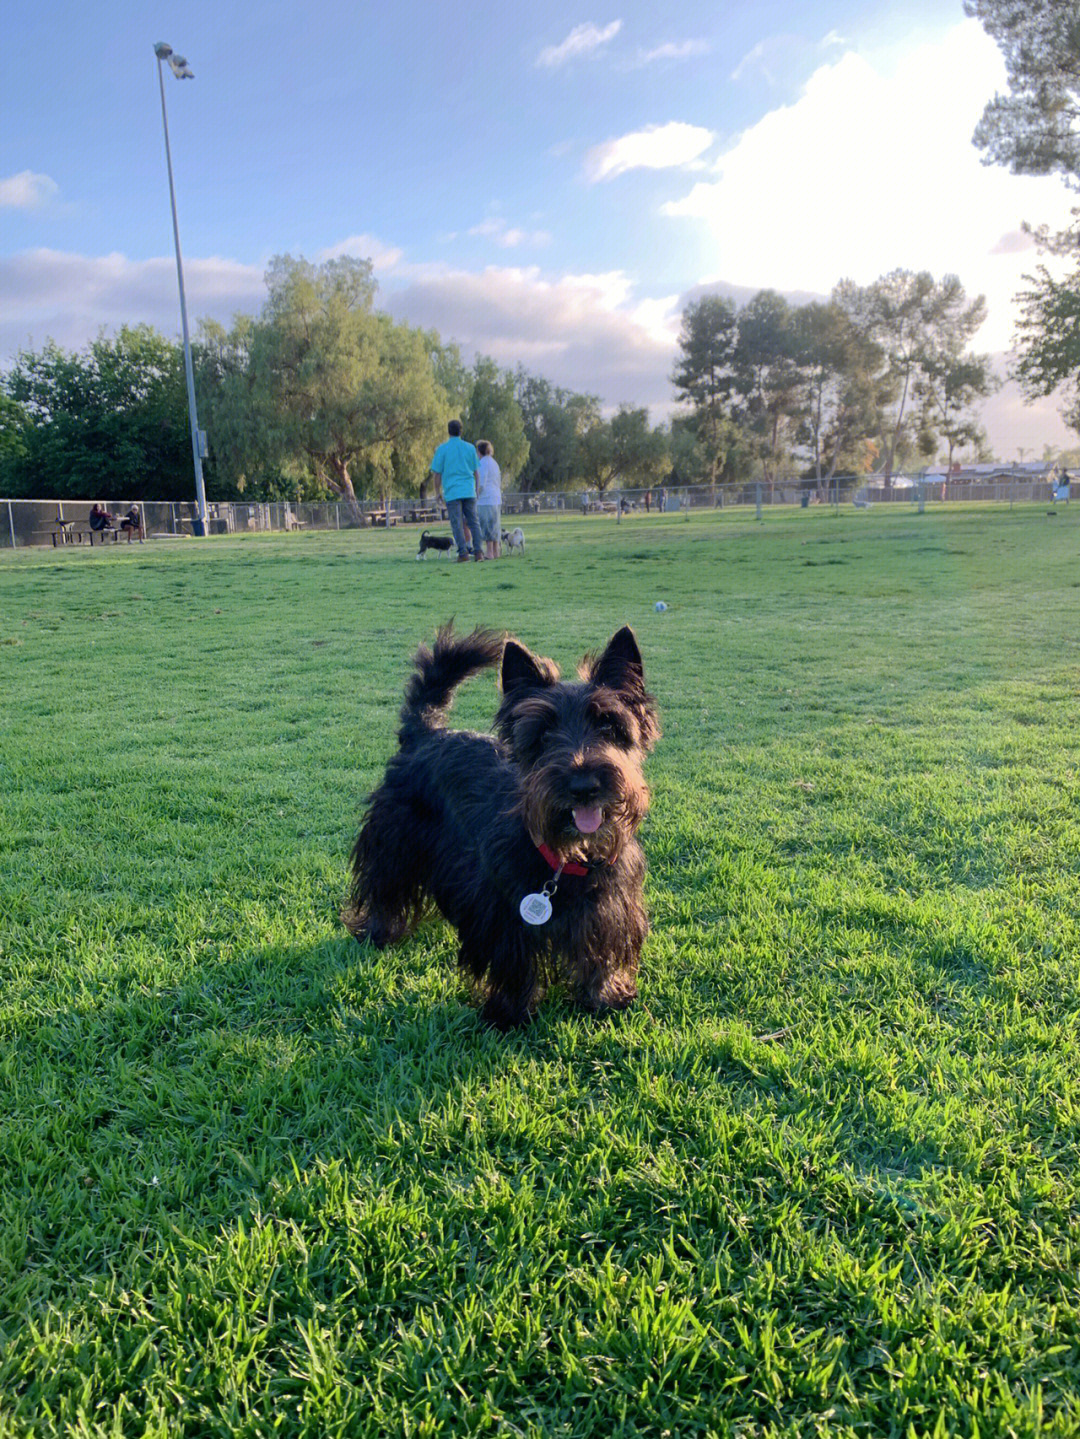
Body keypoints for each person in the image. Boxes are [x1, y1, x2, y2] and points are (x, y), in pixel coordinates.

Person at [429, 420, 484, 562]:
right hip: (469, 491)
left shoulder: (442, 449)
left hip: (452, 492)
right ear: (461, 431)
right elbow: (476, 472)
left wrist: (437, 493)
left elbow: (437, 474)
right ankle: (479, 553)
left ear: (448, 431)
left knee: (457, 524)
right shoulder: (470, 448)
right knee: (474, 522)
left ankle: (463, 553)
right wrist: (476, 490)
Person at [475, 440, 502, 559]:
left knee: (486, 525)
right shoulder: (494, 463)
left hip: (486, 499)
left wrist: (476, 494)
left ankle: (489, 553)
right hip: (496, 497)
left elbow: (481, 483)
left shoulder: (482, 463)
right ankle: (496, 552)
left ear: (479, 451)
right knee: (495, 525)